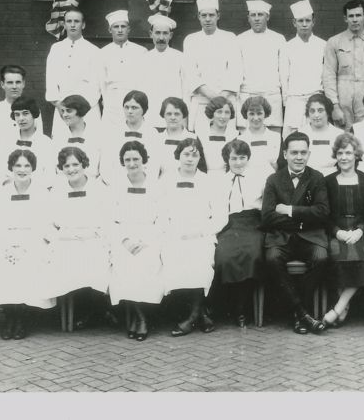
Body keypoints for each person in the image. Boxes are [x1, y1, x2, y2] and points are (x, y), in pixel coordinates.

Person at [0, 150, 55, 340]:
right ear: (11, 168)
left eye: (26, 166)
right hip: (7, 241)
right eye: (18, 166)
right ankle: (10, 317)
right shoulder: (3, 193)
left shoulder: (41, 192)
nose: (22, 170)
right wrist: (7, 245)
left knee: (28, 264)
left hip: (33, 241)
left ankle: (22, 318)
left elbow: (46, 222)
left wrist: (27, 245)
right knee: (2, 265)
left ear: (33, 168)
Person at [261, 131, 329, 335]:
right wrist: (303, 220)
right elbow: (267, 216)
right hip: (281, 237)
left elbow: (323, 212)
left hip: (310, 236)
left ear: (309, 154)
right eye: (294, 152)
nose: (299, 157)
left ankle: (300, 312)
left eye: (303, 152)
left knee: (321, 257)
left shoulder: (316, 177)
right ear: (285, 154)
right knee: (272, 259)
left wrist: (290, 211)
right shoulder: (274, 179)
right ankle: (303, 313)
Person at [162, 138, 225, 336]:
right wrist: (174, 232)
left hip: (201, 233)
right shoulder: (165, 180)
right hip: (173, 234)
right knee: (174, 260)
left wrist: (201, 232)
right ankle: (200, 315)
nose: (190, 159)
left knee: (201, 261)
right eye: (186, 154)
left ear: (200, 158)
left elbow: (221, 215)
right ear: (178, 156)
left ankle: (192, 317)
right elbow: (159, 211)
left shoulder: (209, 181)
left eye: (194, 154)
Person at [47, 146, 111, 330]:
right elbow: (50, 221)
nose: (71, 169)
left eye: (75, 164)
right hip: (66, 240)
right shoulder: (57, 190)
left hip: (93, 239)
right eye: (66, 166)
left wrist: (94, 235)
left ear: (84, 165)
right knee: (64, 262)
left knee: (93, 262)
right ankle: (76, 311)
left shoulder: (99, 188)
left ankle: (96, 310)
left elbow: (107, 220)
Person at [108, 141, 166, 342]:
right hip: (123, 237)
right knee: (123, 264)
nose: (132, 164)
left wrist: (146, 240)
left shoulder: (156, 186)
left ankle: (136, 316)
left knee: (145, 263)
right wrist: (124, 240)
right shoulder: (116, 187)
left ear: (144, 161)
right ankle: (140, 318)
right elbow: (110, 219)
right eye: (127, 160)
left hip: (150, 237)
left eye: (135, 159)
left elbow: (163, 218)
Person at [322, 133, 364, 328]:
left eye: (348, 153)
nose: (344, 157)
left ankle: (338, 308)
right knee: (336, 257)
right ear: (336, 156)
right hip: (337, 232)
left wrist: (360, 230)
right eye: (340, 153)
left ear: (356, 155)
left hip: (360, 233)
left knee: (360, 258)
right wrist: (337, 232)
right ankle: (341, 307)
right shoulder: (327, 182)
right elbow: (324, 214)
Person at [213, 139, 266, 327]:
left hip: (253, 223)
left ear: (248, 158)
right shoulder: (219, 181)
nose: (238, 162)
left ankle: (242, 309)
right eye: (234, 158)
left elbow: (266, 206)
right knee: (224, 257)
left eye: (242, 158)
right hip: (229, 225)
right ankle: (231, 305)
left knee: (252, 255)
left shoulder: (260, 178)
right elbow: (217, 209)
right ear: (227, 159)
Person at [323, 0, 364, 129]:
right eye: (351, 16)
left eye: (358, 15)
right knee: (343, 141)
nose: (355, 19)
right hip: (342, 102)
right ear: (345, 19)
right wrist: (334, 106)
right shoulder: (334, 42)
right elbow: (328, 76)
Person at [183, 0, 241, 132]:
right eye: (204, 15)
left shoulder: (230, 38)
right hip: (201, 101)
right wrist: (214, 97)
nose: (207, 19)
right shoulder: (191, 40)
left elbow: (235, 71)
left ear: (218, 16)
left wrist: (221, 98)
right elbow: (190, 74)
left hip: (225, 104)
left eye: (211, 15)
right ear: (198, 16)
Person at [45, 7, 103, 141]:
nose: (72, 24)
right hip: (62, 108)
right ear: (64, 24)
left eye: (76, 21)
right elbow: (51, 80)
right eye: (68, 21)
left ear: (83, 24)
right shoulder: (56, 49)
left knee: (89, 145)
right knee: (62, 145)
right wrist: (60, 105)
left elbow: (96, 85)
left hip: (87, 109)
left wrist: (80, 109)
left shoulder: (93, 51)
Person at [236, 0, 285, 132]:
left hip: (271, 95)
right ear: (248, 18)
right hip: (248, 95)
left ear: (267, 17)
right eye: (253, 15)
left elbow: (283, 71)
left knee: (273, 138)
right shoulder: (240, 39)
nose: (256, 18)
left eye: (260, 15)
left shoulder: (278, 39)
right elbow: (236, 71)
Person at [279, 0, 326, 137]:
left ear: (313, 22)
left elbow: (325, 74)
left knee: (316, 135)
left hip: (316, 98)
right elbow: (284, 76)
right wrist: (287, 101)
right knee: (293, 137)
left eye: (307, 20)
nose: (304, 24)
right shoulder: (287, 47)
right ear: (294, 23)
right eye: (300, 21)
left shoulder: (323, 45)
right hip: (294, 100)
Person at [101, 90, 162, 184]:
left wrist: (142, 186)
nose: (129, 111)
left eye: (134, 108)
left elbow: (154, 167)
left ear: (144, 109)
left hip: (144, 187)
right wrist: (120, 185)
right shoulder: (113, 133)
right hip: (117, 186)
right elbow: (106, 166)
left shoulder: (152, 134)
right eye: (126, 107)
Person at [100, 10, 147, 130]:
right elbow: (101, 82)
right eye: (116, 27)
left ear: (129, 29)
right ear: (110, 30)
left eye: (123, 26)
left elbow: (144, 79)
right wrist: (107, 101)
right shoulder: (102, 53)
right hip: (112, 101)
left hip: (134, 101)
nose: (120, 30)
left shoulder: (141, 51)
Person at [0, 97, 55, 187]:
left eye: (25, 113)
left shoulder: (46, 143)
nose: (21, 118)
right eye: (17, 115)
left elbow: (50, 177)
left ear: (34, 114)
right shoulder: (6, 142)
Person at [141, 14, 185, 130]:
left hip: (173, 115)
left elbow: (185, 89)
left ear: (170, 35)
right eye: (157, 33)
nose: (161, 37)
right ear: (151, 34)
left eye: (165, 33)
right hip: (150, 116)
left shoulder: (180, 57)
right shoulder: (143, 59)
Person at [53, 95, 102, 180]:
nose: (64, 115)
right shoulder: (58, 136)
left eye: (69, 111)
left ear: (80, 111)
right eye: (63, 111)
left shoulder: (96, 135)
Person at [155, 97, 205, 179]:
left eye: (177, 114)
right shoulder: (157, 137)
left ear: (183, 115)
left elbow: (201, 167)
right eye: (169, 114)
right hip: (162, 183)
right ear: (163, 115)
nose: (173, 117)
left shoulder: (193, 137)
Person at [296, 93, 342, 177]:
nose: (316, 115)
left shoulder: (339, 134)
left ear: (327, 112)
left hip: (332, 177)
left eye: (320, 111)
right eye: (312, 111)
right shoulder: (300, 134)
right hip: (306, 177)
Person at [0, 65, 40, 134]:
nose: (14, 87)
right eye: (10, 83)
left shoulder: (33, 109)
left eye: (18, 82)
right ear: (2, 84)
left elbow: (38, 139)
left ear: (23, 84)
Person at [238, 95, 281, 181]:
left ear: (265, 113)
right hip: (247, 183)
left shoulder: (276, 137)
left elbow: (281, 167)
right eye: (251, 114)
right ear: (246, 114)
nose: (256, 118)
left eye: (259, 113)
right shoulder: (239, 140)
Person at [196, 96, 238, 174]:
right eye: (219, 112)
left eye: (227, 112)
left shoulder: (236, 135)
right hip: (204, 177)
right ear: (212, 113)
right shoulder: (200, 134)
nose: (223, 116)